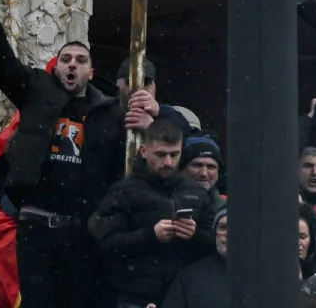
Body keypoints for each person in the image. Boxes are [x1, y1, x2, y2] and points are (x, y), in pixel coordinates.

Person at [0, 2, 124, 308]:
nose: (72, 65)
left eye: (80, 60)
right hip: (37, 229)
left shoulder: (109, 113)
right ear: (56, 67)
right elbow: (4, 67)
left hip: (82, 231)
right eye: (66, 59)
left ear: (90, 72)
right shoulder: (37, 90)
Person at [88, 119, 220, 308]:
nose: (168, 162)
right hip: (134, 296)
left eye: (174, 154)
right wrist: (151, 235)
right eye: (161, 154)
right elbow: (106, 245)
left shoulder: (198, 193)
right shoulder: (124, 192)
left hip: (183, 296)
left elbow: (217, 244)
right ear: (144, 152)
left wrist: (194, 235)